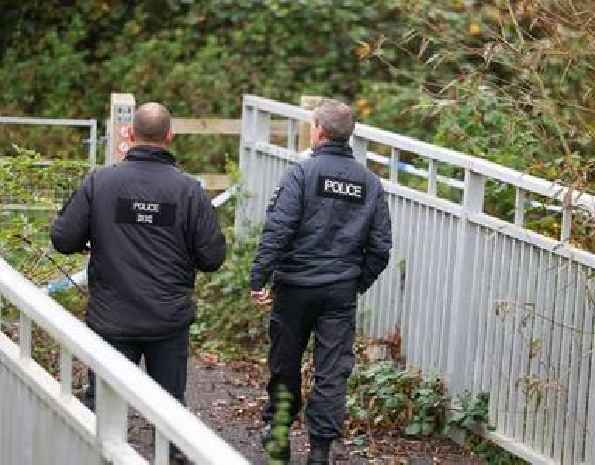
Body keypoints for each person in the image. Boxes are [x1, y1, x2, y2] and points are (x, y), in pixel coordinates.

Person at [51, 102, 226, 465]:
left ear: (129, 135)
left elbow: (63, 239)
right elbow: (212, 258)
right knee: (169, 412)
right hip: (167, 319)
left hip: (111, 319)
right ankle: (172, 455)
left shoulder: (101, 181)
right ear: (170, 136)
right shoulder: (189, 191)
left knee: (102, 411)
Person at [249, 99, 392, 465]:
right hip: (339, 289)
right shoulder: (369, 183)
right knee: (332, 370)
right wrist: (355, 283)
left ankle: (279, 434)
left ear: (320, 132)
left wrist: (259, 276)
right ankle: (320, 451)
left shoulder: (302, 174)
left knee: (285, 361)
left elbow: (278, 230)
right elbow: (380, 247)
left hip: (295, 287)